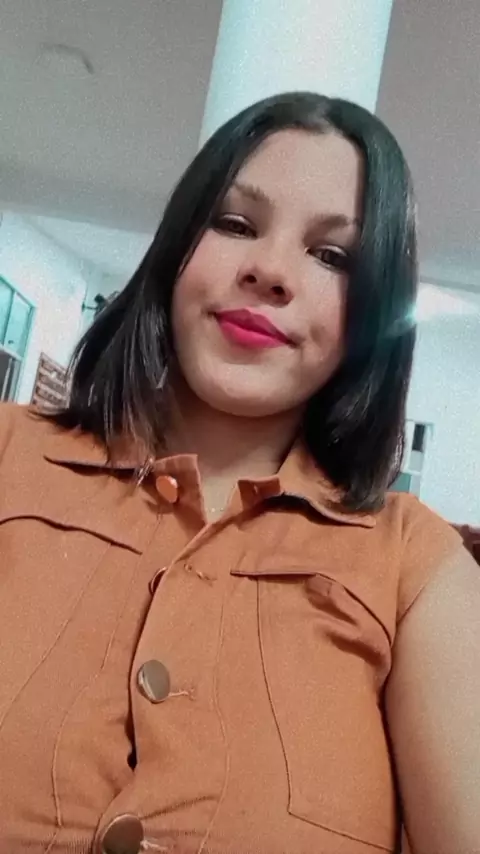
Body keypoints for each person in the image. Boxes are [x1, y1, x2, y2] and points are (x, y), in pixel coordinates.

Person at [0, 92, 478, 854]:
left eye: (333, 256)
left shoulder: (416, 567)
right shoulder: (8, 453)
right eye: (235, 223)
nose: (270, 271)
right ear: (177, 247)